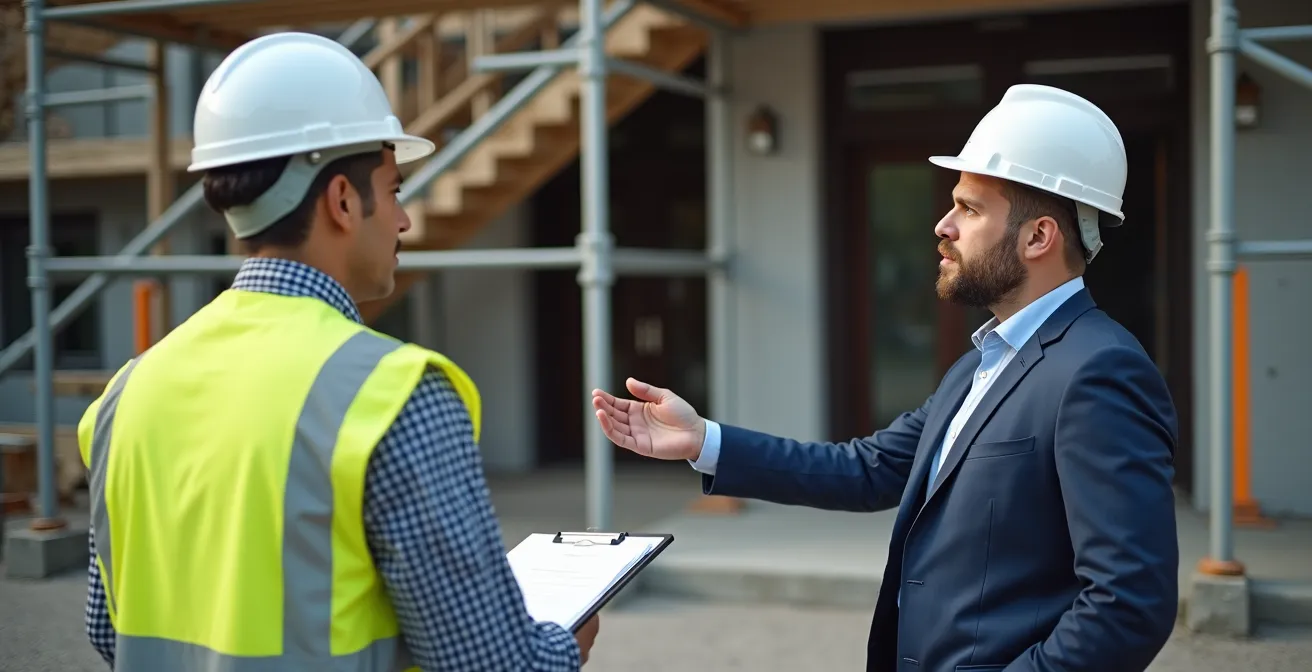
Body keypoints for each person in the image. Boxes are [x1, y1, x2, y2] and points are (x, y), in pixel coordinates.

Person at [592, 84, 1179, 672]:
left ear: (1038, 237)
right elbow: (867, 469)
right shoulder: (980, 363)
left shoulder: (1100, 372)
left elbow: (1127, 605)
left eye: (969, 209)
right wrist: (703, 441)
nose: (942, 226)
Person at [77, 32, 598, 671]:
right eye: (395, 188)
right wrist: (558, 646)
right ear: (343, 201)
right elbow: (489, 666)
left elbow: (109, 630)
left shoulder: (128, 393)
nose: (404, 221)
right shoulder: (391, 395)